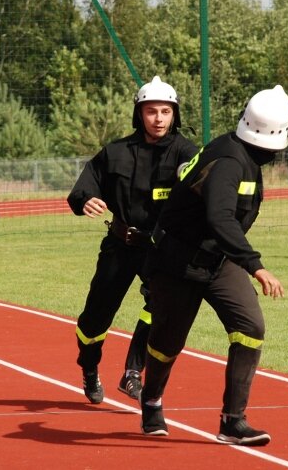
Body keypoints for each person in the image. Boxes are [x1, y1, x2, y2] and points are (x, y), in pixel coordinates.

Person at [138, 84, 288, 447]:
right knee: (167, 343)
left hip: (218, 260)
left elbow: (226, 225)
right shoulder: (227, 161)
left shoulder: (245, 155)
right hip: (178, 261)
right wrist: (256, 266)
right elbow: (220, 218)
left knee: (250, 326)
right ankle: (152, 399)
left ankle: (233, 421)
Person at [67, 76, 198, 405]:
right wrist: (85, 200)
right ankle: (89, 366)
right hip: (120, 245)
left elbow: (199, 177)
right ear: (139, 114)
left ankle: (132, 373)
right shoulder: (116, 152)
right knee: (94, 320)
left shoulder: (186, 151)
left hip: (161, 249)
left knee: (161, 306)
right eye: (151, 111)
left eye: (165, 112)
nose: (158, 118)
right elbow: (86, 185)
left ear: (174, 115)